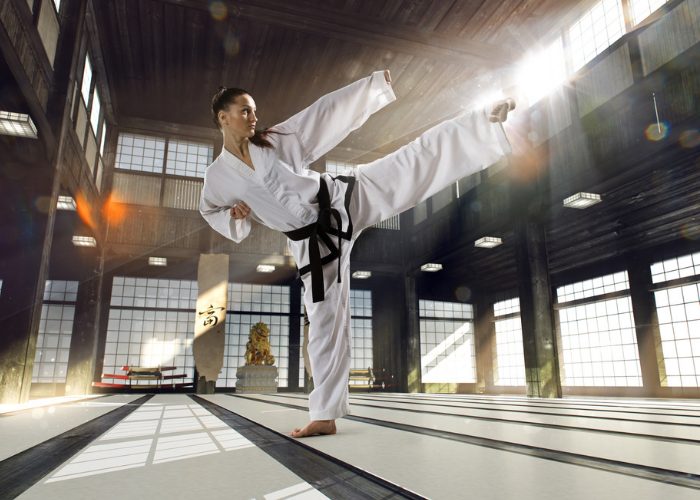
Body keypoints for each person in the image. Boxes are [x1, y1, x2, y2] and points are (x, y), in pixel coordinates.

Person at [199, 70, 514, 438]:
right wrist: (234, 215)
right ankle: (325, 414)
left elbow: (322, 115)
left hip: (338, 200)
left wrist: (373, 88)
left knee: (408, 163)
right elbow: (210, 210)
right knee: (323, 322)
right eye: (244, 111)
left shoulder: (273, 141)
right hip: (311, 246)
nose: (253, 118)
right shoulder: (218, 177)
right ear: (223, 117)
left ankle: (483, 123)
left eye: (254, 111)